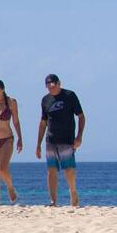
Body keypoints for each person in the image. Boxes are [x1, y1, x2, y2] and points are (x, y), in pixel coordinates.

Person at [35, 74, 85, 207]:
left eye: (54, 85)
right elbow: (43, 122)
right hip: (50, 139)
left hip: (67, 139)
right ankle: (53, 201)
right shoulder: (45, 100)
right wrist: (38, 144)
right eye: (49, 86)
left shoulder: (70, 96)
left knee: (69, 170)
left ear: (59, 83)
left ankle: (73, 193)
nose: (52, 88)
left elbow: (81, 116)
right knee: (51, 170)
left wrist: (79, 136)